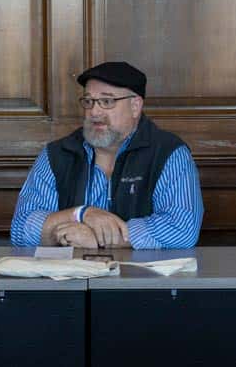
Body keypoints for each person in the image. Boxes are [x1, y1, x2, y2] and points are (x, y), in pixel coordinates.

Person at [11, 61, 203, 249]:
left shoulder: (168, 153)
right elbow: (20, 230)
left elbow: (182, 229)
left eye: (107, 101)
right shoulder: (57, 154)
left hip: (140, 279)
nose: (94, 111)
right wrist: (81, 214)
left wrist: (96, 239)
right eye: (89, 101)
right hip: (68, 278)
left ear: (135, 106)